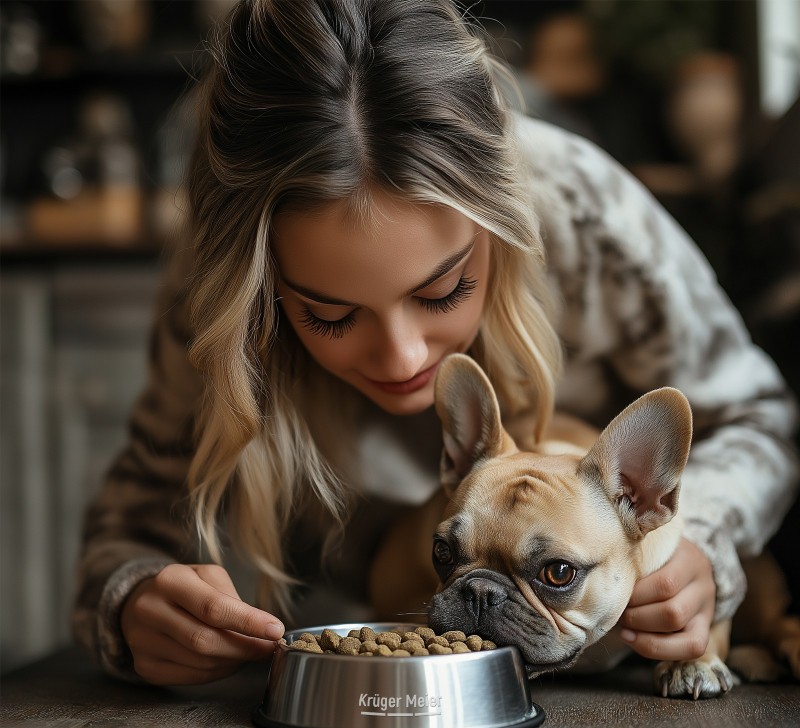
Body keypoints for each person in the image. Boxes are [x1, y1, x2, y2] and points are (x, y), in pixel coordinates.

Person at [72, 0, 798, 686]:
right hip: (366, 648)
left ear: (499, 223)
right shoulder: (222, 295)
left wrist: (697, 547)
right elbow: (134, 517)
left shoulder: (585, 213)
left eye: (442, 291)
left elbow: (759, 417)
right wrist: (132, 601)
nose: (405, 358)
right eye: (329, 314)